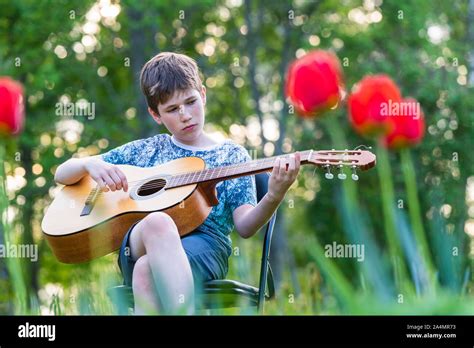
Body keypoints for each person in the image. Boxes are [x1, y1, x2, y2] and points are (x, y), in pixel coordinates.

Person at [54, 52, 301, 314]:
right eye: (172, 109)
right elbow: (62, 174)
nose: (185, 115)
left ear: (203, 95)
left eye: (191, 102)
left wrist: (274, 195)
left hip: (206, 248)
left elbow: (245, 226)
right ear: (155, 114)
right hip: (138, 241)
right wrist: (87, 163)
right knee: (158, 222)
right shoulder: (148, 151)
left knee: (146, 270)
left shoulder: (232, 156)